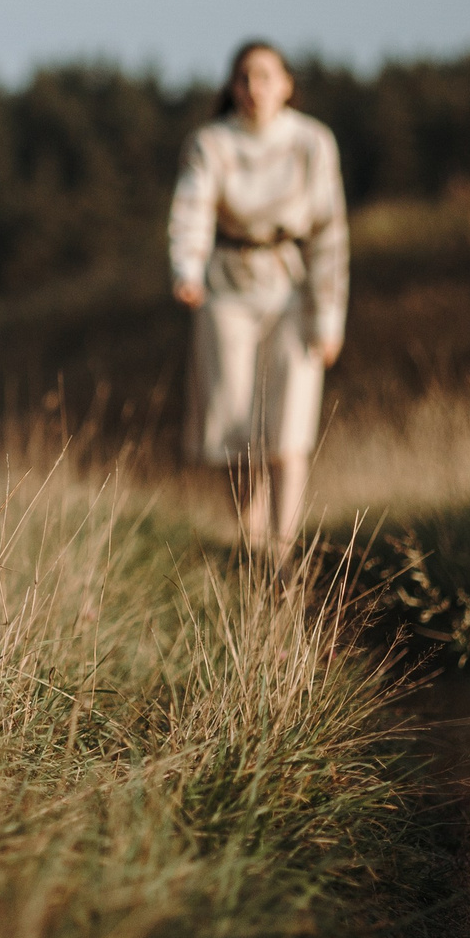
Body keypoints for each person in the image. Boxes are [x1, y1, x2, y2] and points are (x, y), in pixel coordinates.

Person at [167, 40, 348, 555]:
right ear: (232, 87)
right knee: (235, 429)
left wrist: (329, 317)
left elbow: (330, 234)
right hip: (226, 290)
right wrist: (187, 267)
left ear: (287, 84)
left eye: (266, 77)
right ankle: (252, 544)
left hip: (292, 291)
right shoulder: (210, 143)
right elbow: (192, 208)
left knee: (289, 428)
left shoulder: (313, 142)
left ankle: (283, 549)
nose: (254, 88)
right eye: (245, 78)